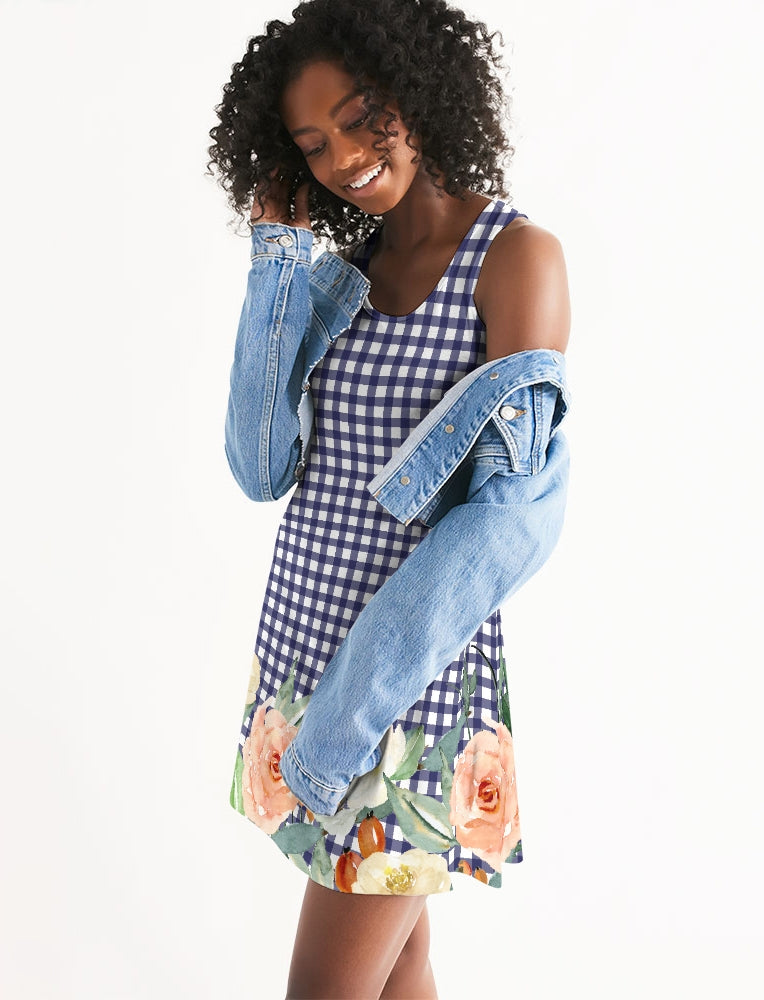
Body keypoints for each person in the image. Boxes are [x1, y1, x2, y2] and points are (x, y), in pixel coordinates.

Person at [207, 0, 571, 995]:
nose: (344, 158)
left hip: (401, 691)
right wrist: (276, 261)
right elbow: (259, 466)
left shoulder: (515, 258)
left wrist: (345, 721)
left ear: (418, 88)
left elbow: (503, 527)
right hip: (304, 649)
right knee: (399, 965)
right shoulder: (343, 280)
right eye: (311, 144)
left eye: (362, 116)